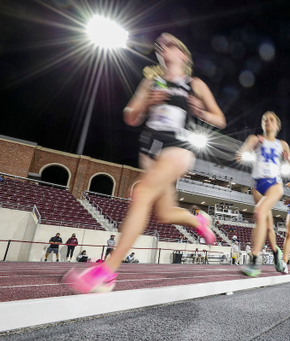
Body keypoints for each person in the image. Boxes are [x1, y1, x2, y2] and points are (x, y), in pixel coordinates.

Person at [64, 33, 226, 294]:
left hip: (178, 147)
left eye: (170, 44)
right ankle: (200, 222)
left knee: (141, 193)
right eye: (160, 46)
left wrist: (200, 111)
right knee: (164, 213)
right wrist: (146, 104)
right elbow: (130, 116)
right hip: (150, 149)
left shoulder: (193, 83)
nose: (162, 47)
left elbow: (220, 119)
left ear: (183, 55)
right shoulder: (151, 81)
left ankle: (107, 271)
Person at [237, 111, 290, 277]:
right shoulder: (255, 139)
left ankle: (254, 261)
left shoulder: (282, 144)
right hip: (257, 185)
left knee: (259, 212)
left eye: (271, 120)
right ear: (262, 125)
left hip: (274, 184)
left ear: (277, 126)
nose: (267, 121)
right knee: (268, 226)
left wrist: (288, 159)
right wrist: (246, 151)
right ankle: (276, 254)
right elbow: (241, 153)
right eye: (264, 120)